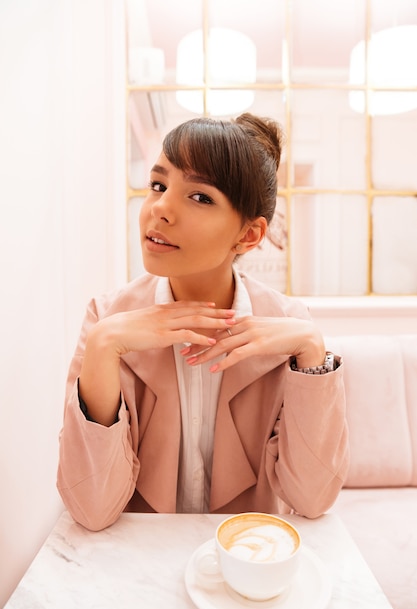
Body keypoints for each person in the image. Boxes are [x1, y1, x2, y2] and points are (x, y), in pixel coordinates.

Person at [57, 113, 349, 531]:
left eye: (200, 197)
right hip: (137, 571)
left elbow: (312, 499)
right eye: (159, 185)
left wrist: (312, 351)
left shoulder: (288, 325)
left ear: (248, 236)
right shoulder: (107, 318)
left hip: (246, 566)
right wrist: (103, 344)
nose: (160, 208)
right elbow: (91, 510)